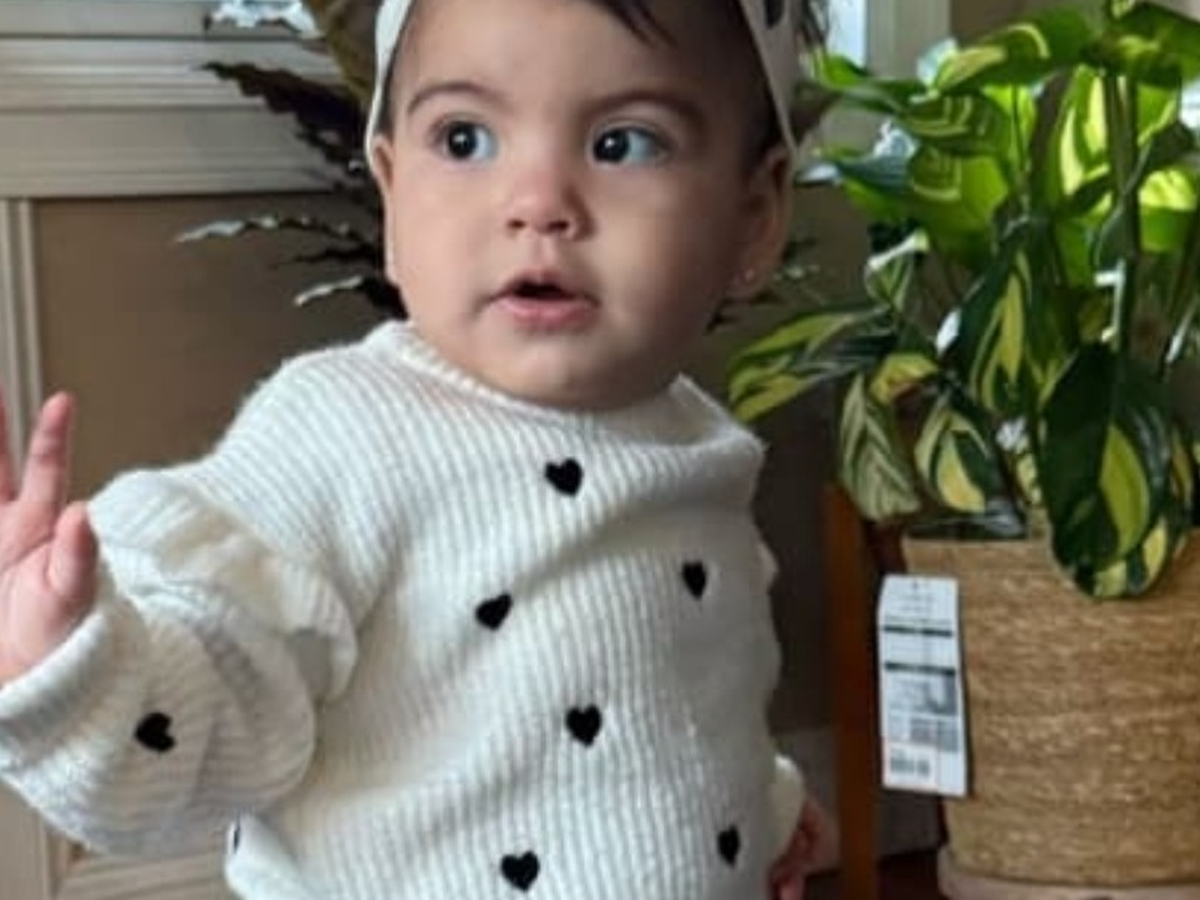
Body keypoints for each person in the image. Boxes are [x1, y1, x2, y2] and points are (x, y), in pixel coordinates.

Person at [0, 0, 837, 896]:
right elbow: (209, 683)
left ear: (754, 215)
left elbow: (689, 684)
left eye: (624, 143)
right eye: (465, 139)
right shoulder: (343, 431)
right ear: (394, 196)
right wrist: (73, 668)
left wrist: (760, 804)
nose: (539, 204)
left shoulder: (702, 443)